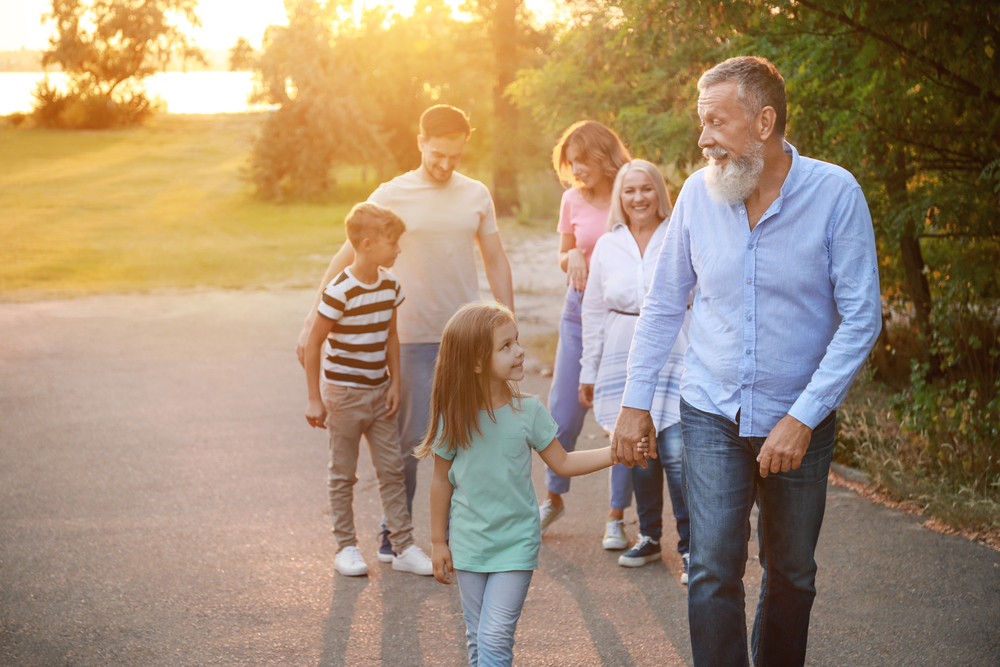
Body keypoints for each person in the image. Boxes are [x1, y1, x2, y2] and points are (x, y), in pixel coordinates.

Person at [612, 56, 882, 667]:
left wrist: (805, 416)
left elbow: (862, 317)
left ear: (764, 122)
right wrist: (635, 404)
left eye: (715, 122)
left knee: (791, 574)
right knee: (711, 569)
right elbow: (662, 305)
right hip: (710, 412)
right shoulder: (697, 196)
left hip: (798, 421)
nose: (702, 138)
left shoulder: (835, 193)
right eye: (700, 122)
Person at [297, 105, 515, 561]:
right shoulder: (392, 193)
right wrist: (310, 320)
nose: (446, 164)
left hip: (467, 338)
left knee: (467, 438)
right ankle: (394, 535)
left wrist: (506, 327)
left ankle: (461, 535)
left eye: (455, 155)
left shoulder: (475, 194)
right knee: (410, 442)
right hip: (411, 337)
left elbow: (495, 259)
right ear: (419, 142)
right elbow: (346, 257)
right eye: (438, 153)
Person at [416, 302, 628, 667]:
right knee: (478, 638)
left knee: (494, 637)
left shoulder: (529, 412)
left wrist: (616, 452)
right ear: (478, 362)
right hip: (468, 543)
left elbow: (563, 462)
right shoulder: (455, 415)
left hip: (515, 543)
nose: (520, 352)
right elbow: (440, 482)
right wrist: (438, 542)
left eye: (517, 341)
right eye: (506, 346)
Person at [303, 202, 434, 577]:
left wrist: (394, 382)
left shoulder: (390, 285)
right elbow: (314, 343)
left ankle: (403, 546)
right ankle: (345, 547)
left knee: (392, 470)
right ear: (367, 243)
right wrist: (315, 398)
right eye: (392, 243)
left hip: (379, 394)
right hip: (343, 396)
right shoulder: (339, 290)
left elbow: (392, 336)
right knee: (343, 474)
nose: (398, 250)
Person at [579, 160, 692, 577]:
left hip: (676, 349)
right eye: (630, 191)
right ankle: (648, 536)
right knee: (638, 451)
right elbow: (591, 311)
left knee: (678, 453)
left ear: (659, 193)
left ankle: (691, 547)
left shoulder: (677, 234)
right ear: (619, 198)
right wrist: (586, 370)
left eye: (646, 189)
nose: (639, 198)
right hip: (621, 351)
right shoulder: (608, 245)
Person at [538, 121, 634, 551]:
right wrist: (573, 253)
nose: (576, 168)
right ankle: (554, 497)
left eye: (583, 160)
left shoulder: (628, 194)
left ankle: (616, 517)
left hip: (620, 316)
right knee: (563, 410)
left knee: (620, 416)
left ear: (604, 155)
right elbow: (563, 254)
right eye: (570, 162)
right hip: (577, 313)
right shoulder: (571, 200)